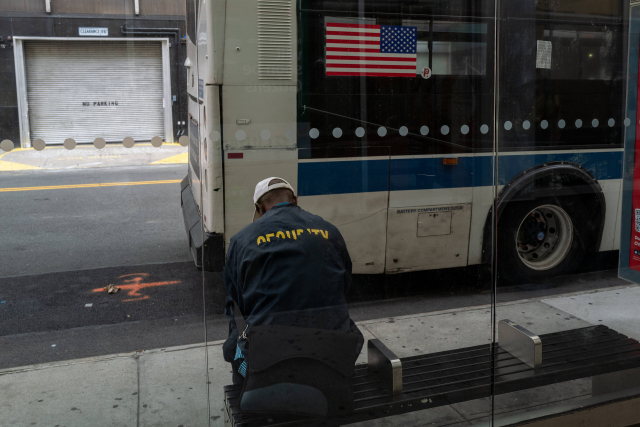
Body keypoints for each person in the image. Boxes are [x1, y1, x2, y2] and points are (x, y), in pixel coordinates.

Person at [223, 177, 364, 384]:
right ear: (294, 201)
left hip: (266, 360)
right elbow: (344, 285)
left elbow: (236, 306)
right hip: (334, 356)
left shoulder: (241, 240)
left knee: (233, 351)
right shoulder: (329, 230)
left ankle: (249, 392)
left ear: (259, 208)